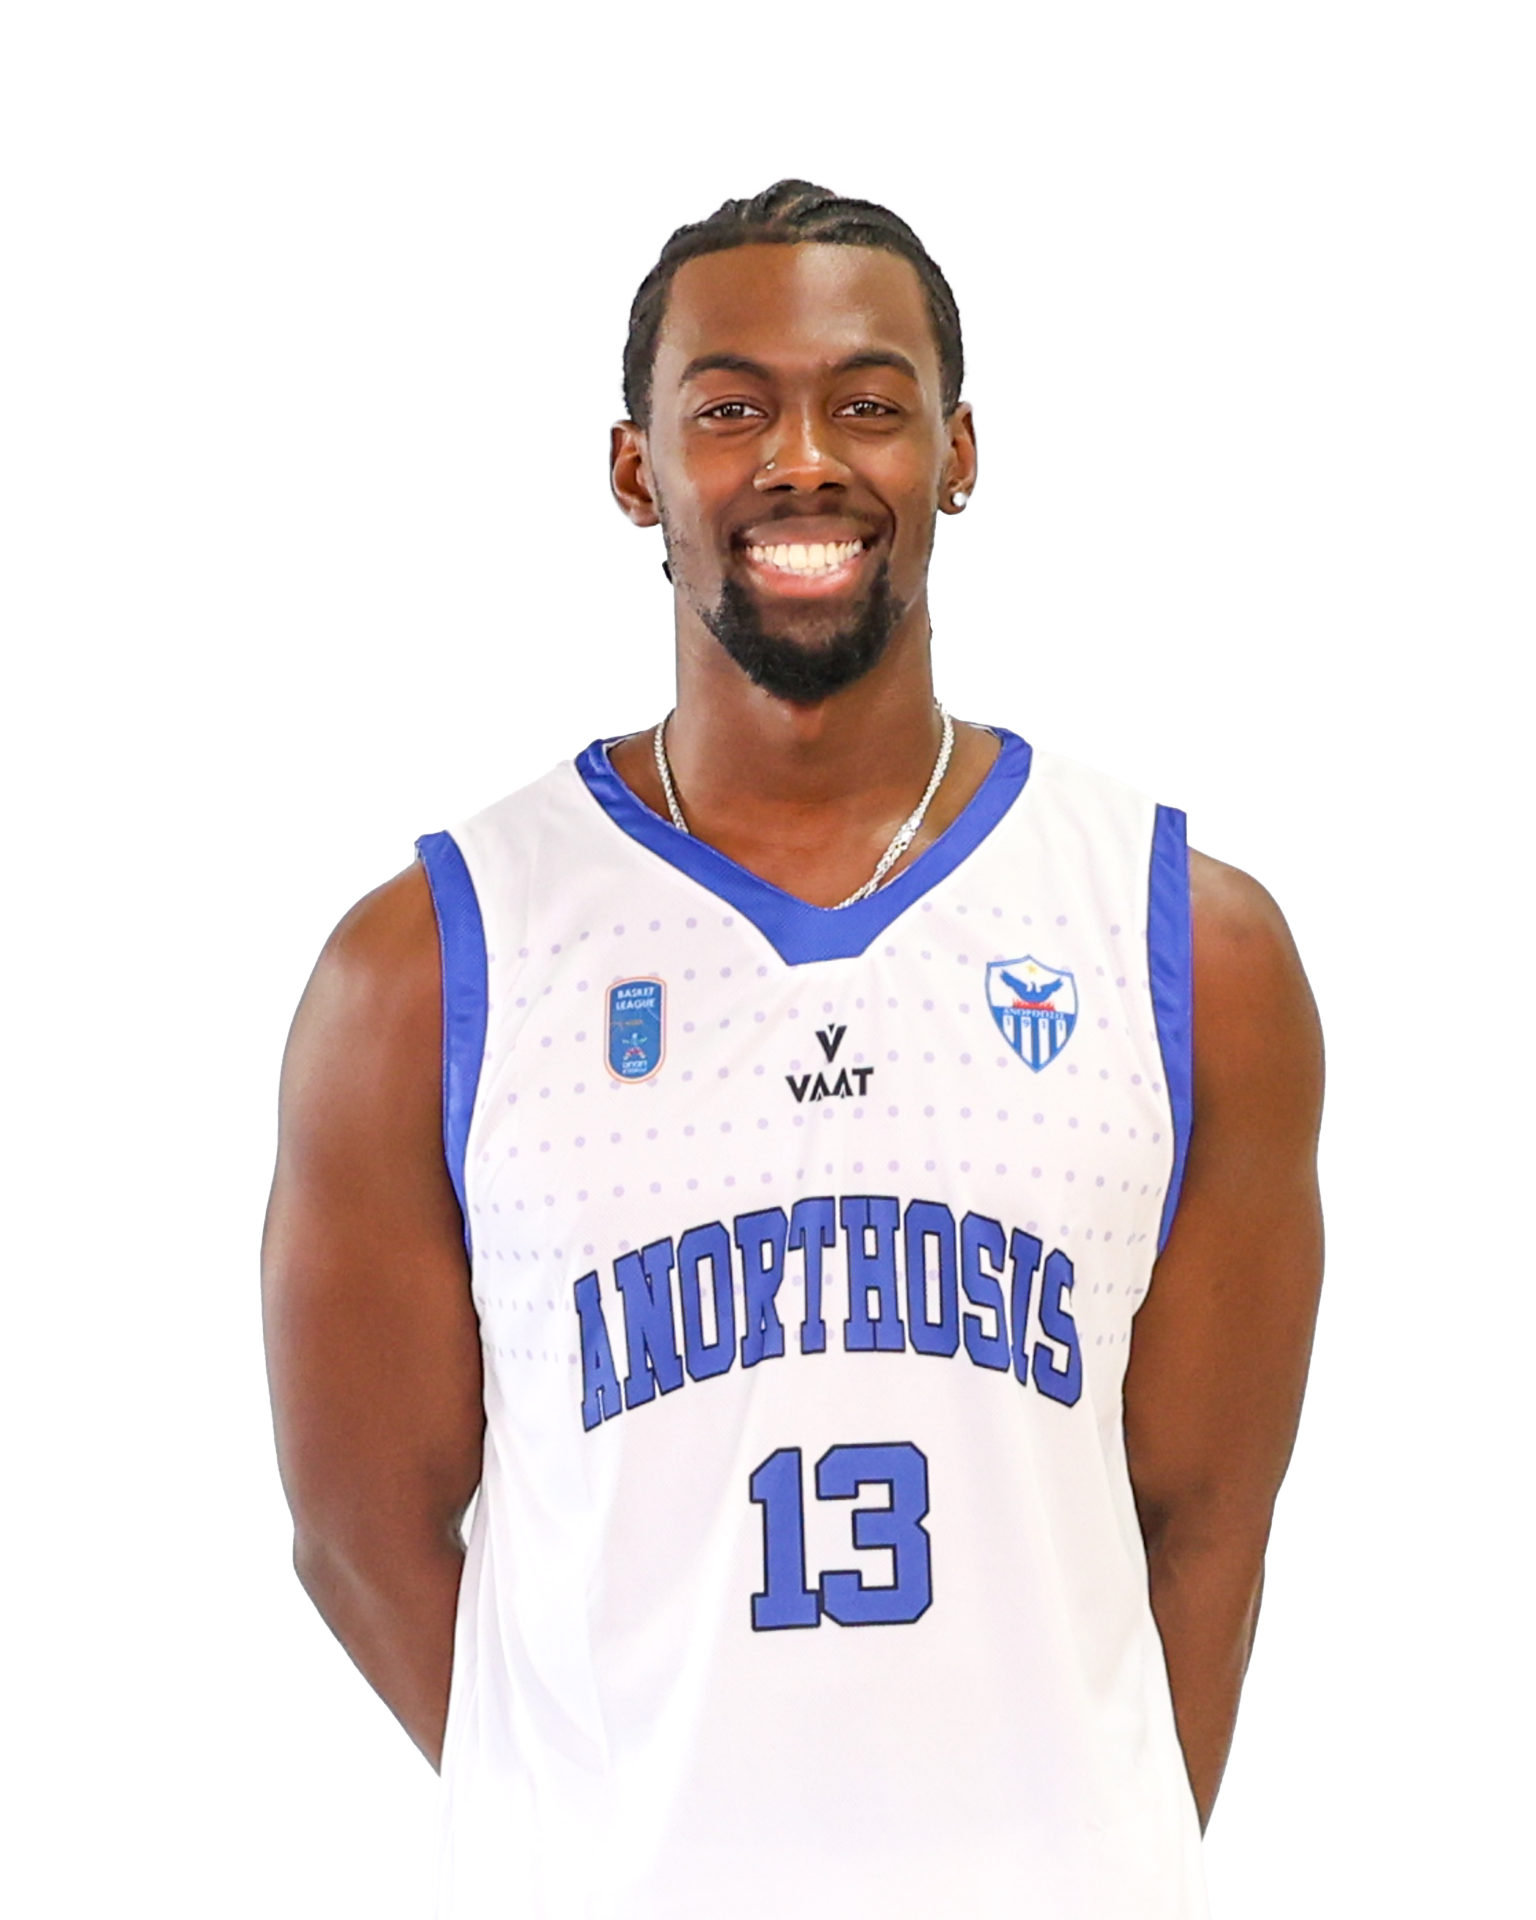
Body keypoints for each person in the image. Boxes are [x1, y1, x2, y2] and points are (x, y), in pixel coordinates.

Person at [262, 178, 1324, 1919]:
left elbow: (1208, 1520)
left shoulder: (1191, 943)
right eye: (732, 408)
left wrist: (1089, 1848)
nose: (803, 461)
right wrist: (610, 1837)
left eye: (869, 403)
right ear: (637, 471)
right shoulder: (433, 960)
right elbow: (360, 1533)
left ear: (959, 453)